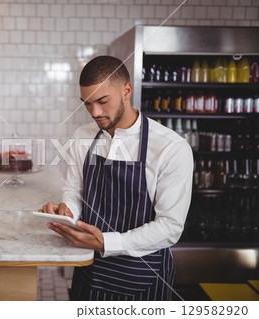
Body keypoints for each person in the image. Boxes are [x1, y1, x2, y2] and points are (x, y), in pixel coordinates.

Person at [40, 56, 193, 301]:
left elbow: (170, 228)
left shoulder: (170, 147)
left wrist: (106, 243)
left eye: (102, 101)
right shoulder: (83, 136)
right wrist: (67, 212)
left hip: (144, 279)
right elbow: (75, 192)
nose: (95, 113)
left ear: (126, 90)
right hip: (90, 272)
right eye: (87, 104)